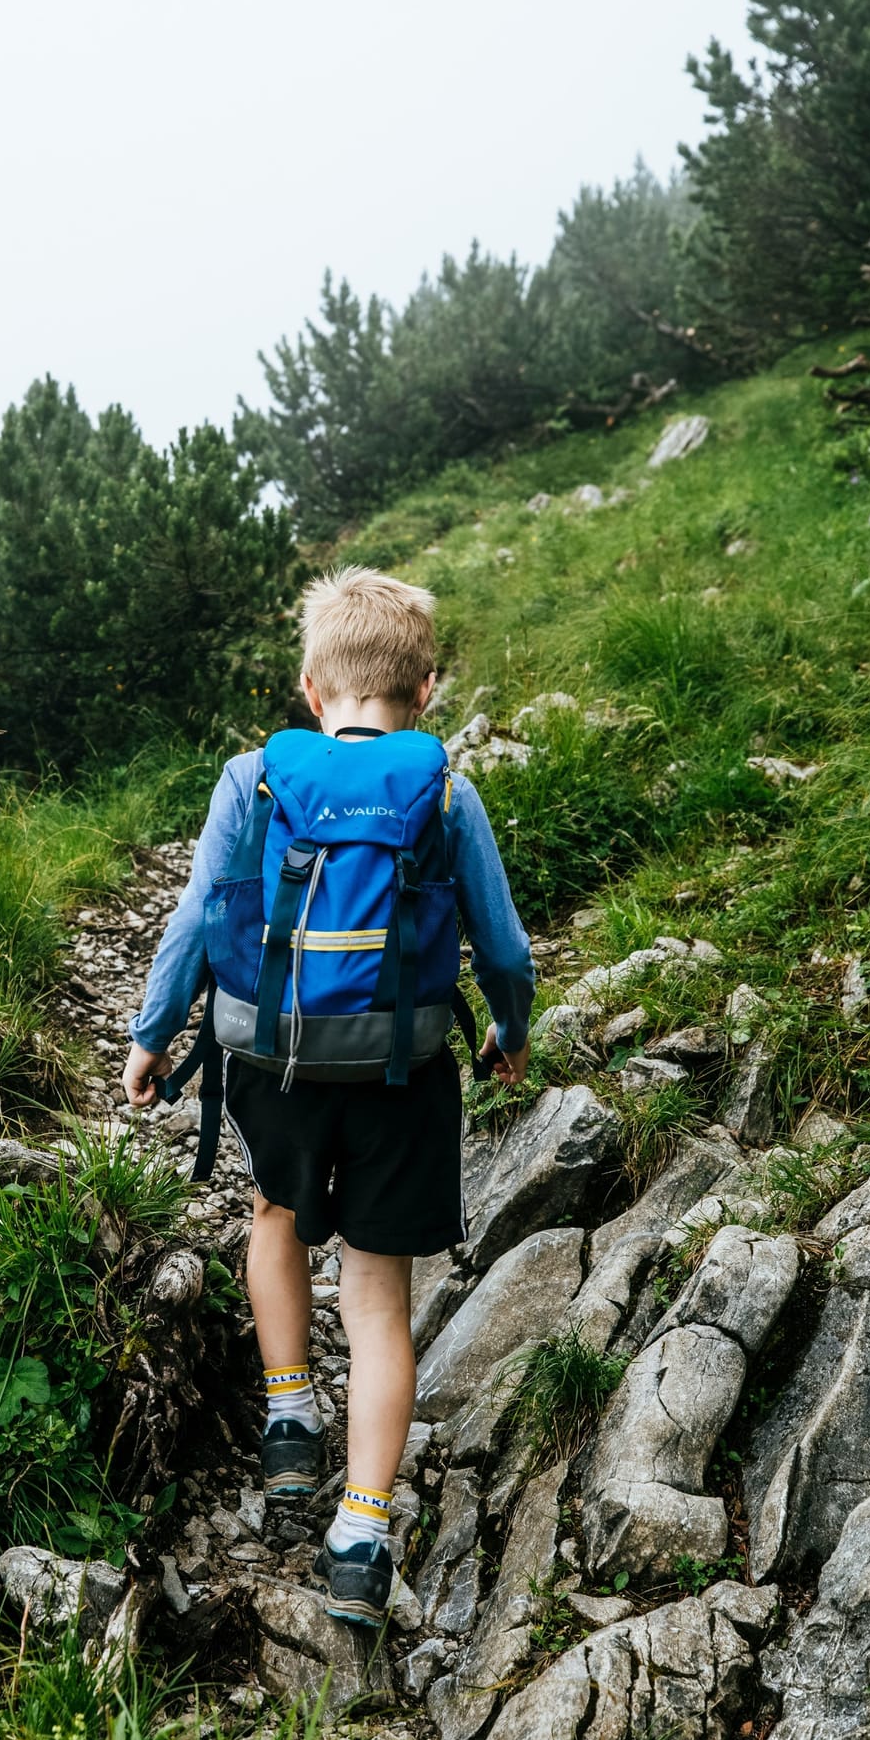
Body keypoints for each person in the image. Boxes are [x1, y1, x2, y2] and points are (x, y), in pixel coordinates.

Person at [121, 566, 535, 1625]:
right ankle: (360, 1531)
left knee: (276, 1214)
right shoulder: (445, 787)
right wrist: (508, 1031)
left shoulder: (252, 779)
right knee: (380, 1290)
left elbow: (192, 922)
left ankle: (291, 1416)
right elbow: (503, 946)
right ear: (426, 689)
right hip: (402, 1068)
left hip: (274, 1059)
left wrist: (153, 1036)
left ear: (312, 688)